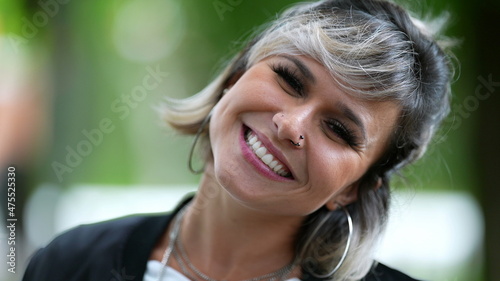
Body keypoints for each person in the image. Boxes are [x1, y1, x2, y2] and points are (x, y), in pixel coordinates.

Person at [22, 0, 454, 280]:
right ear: (235, 78)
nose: (290, 124)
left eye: (339, 129)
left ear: (354, 188)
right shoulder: (69, 263)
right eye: (288, 78)